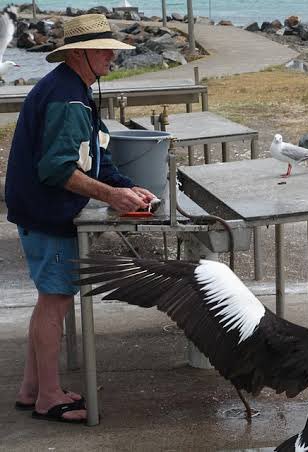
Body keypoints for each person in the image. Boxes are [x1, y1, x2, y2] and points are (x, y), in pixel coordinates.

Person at [5, 14, 155, 423]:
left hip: (35, 209)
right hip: (45, 212)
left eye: (113, 50)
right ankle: (49, 398)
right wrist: (112, 195)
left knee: (49, 300)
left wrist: (129, 187)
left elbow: (97, 154)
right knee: (55, 302)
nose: (112, 56)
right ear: (80, 53)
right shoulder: (68, 98)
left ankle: (32, 388)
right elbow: (56, 169)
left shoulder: (72, 90)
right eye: (105, 49)